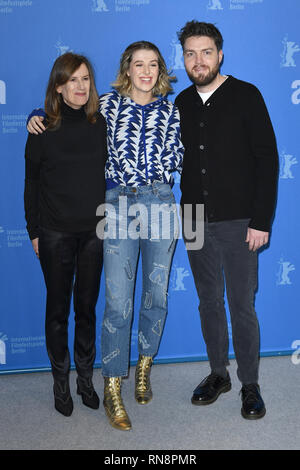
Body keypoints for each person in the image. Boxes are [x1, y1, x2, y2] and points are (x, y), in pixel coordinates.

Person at [27, 41, 184, 431]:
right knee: (117, 302)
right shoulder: (107, 107)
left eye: (153, 65)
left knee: (157, 296)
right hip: (117, 206)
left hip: (162, 203)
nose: (145, 71)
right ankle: (112, 383)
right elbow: (67, 112)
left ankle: (144, 366)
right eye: (138, 64)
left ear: (160, 70)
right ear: (126, 69)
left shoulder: (172, 108)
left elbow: (182, 155)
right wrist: (36, 114)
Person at [175, 21, 278, 420]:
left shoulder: (247, 95)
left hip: (241, 221)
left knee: (241, 304)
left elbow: (267, 160)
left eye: (205, 52)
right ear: (183, 58)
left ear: (219, 54)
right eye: (189, 53)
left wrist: (261, 220)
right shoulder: (180, 102)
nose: (198, 60)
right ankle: (219, 374)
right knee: (208, 303)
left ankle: (250, 384)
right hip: (195, 219)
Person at [24, 53, 107, 417]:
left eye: (85, 79)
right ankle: (60, 383)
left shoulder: (100, 122)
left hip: (94, 233)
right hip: (54, 234)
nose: (80, 86)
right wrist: (34, 231)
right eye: (71, 80)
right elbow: (31, 184)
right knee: (57, 312)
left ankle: (85, 380)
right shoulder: (41, 128)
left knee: (86, 310)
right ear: (58, 86)